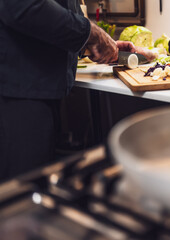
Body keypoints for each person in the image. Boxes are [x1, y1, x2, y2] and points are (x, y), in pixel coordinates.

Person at [0, 0, 154, 181]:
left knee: (35, 186)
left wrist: (92, 44)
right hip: (16, 91)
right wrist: (89, 33)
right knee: (21, 194)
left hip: (34, 88)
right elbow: (24, 6)